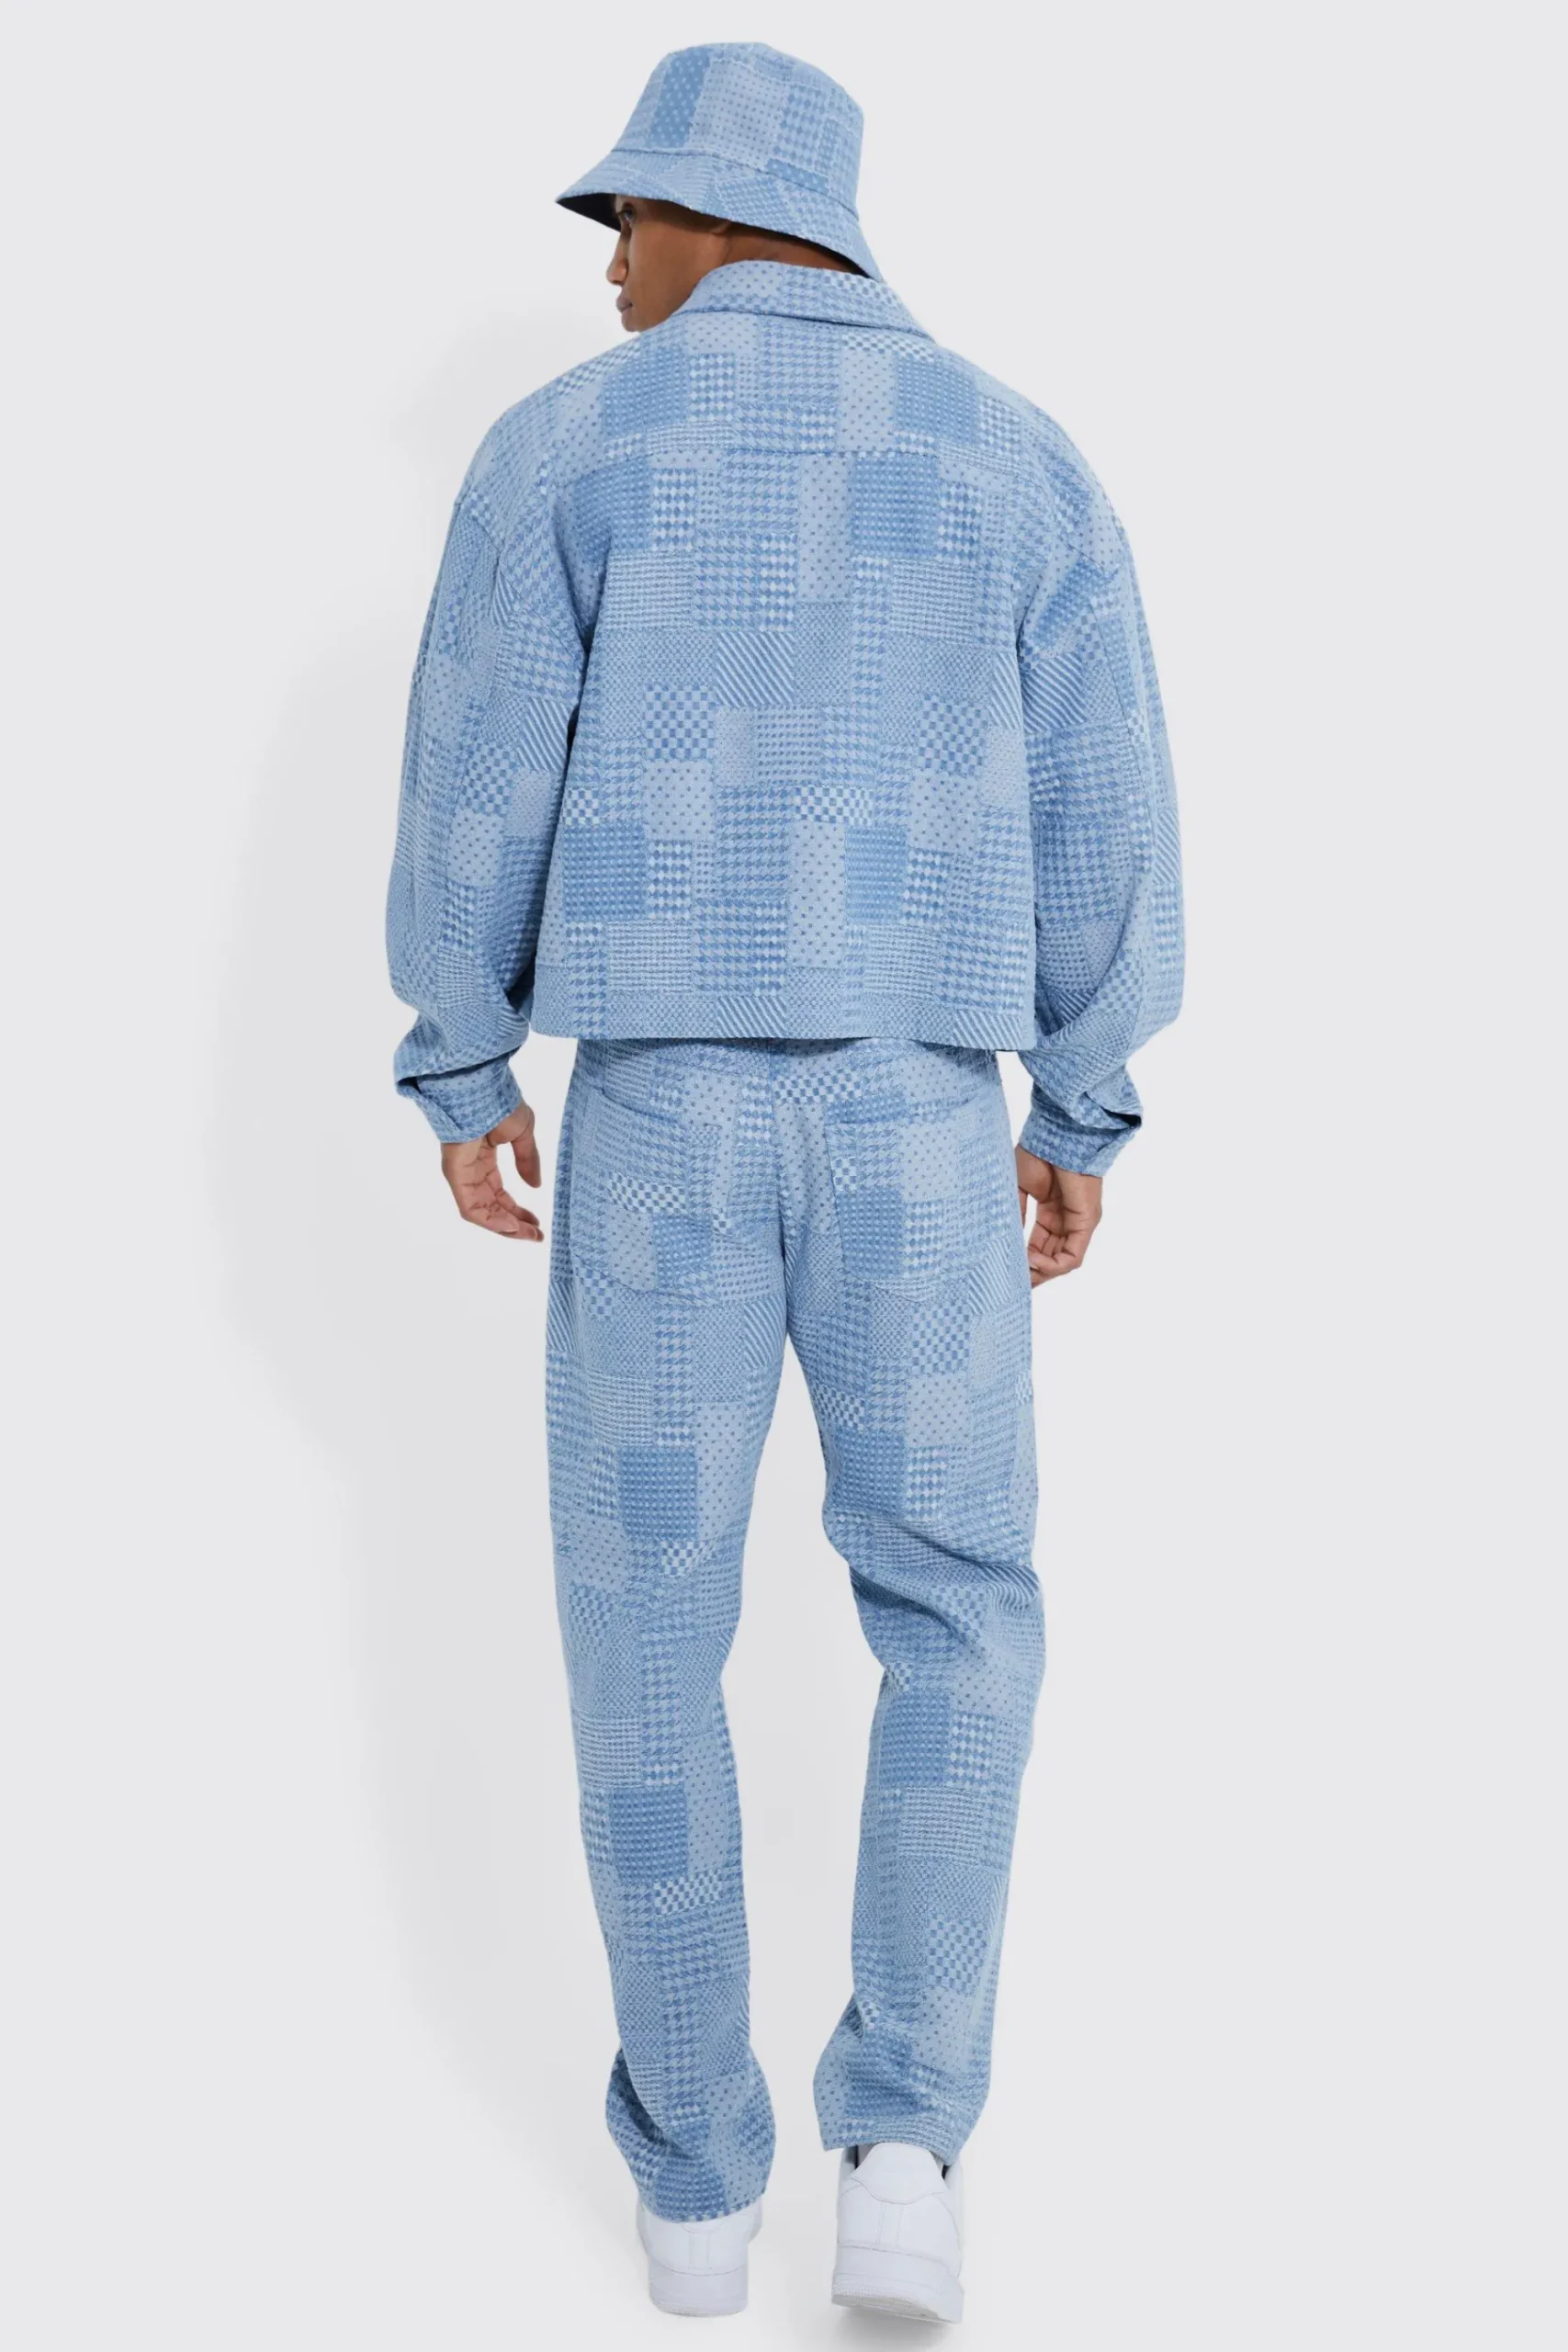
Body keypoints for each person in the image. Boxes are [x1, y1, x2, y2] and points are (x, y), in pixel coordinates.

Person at [386, 41, 1182, 2324]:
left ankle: (695, 2185)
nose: (607, 264)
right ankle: (907, 2144)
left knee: (643, 1621)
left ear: (716, 215)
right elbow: (1109, 802)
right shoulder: (1016, 456)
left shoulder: (563, 447)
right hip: (923, 1115)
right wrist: (1078, 1103)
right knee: (958, 1607)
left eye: (624, 219)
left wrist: (462, 1056)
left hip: (656, 1118)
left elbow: (474, 773)